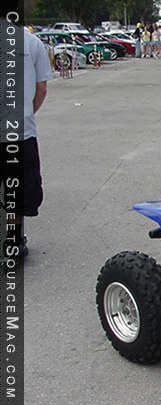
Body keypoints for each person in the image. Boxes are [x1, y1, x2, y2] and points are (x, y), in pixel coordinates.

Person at [1, 19, 53, 261]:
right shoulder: (32, 42)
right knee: (18, 191)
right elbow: (41, 88)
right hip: (20, 133)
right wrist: (26, 113)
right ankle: (13, 240)